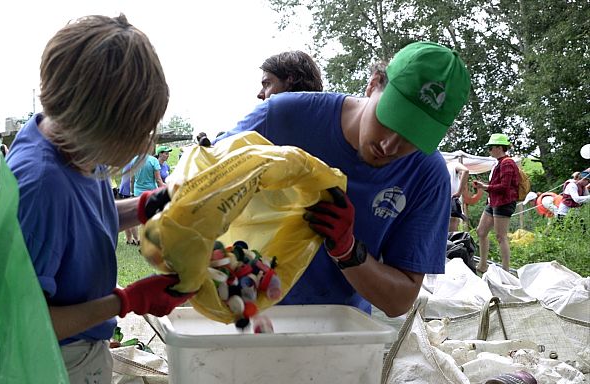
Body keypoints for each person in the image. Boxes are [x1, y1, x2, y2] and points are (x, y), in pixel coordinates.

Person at [5, 14, 192, 384]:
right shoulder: (39, 184)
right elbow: (25, 326)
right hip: (43, 382)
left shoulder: (66, 144)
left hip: (72, 383)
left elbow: (90, 210)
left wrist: (153, 202)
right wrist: (127, 300)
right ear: (96, 120)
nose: (138, 143)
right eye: (131, 132)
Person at [217, 41, 471, 317]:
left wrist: (349, 250)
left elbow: (399, 301)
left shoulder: (426, 175)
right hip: (240, 312)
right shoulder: (283, 116)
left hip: (334, 331)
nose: (390, 145)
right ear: (374, 84)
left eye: (412, 137)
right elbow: (201, 180)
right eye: (388, 119)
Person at [473, 133, 518, 272]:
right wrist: (484, 186)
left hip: (504, 203)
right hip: (494, 202)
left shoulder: (507, 163)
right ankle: (483, 265)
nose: (489, 150)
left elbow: (505, 187)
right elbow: (499, 186)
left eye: (491, 147)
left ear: (499, 147)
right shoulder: (499, 163)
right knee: (481, 231)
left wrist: (485, 187)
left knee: (501, 236)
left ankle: (505, 270)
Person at [257, 50, 323, 100]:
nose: (259, 95)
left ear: (290, 80)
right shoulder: (331, 113)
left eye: (267, 84)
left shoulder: (265, 114)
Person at [117, 161, 140, 245]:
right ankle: (136, 239)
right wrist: (132, 192)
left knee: (127, 214)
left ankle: (129, 239)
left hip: (123, 189)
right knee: (132, 215)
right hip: (128, 190)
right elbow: (131, 179)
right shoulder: (134, 161)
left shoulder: (129, 160)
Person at [446, 160, 469, 231]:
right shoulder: (454, 164)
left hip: (440, 202)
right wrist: (459, 192)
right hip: (453, 203)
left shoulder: (439, 167)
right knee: (452, 232)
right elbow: (466, 170)